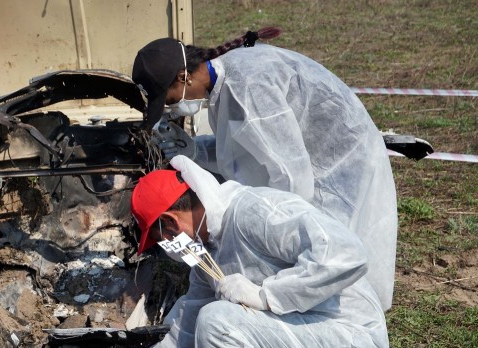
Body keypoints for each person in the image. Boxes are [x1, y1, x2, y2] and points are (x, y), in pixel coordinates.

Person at [132, 27, 397, 311]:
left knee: (331, 252)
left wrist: (269, 263)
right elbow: (241, 152)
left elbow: (294, 179)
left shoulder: (248, 87)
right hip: (313, 161)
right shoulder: (221, 86)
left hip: (339, 165)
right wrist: (195, 151)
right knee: (314, 257)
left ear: (184, 77)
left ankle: (347, 313)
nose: (174, 109)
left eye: (171, 100)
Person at [131, 155, 388, 347]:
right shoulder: (205, 249)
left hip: (348, 330)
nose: (167, 247)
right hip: (302, 327)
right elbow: (190, 314)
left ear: (172, 222)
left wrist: (266, 295)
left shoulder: (254, 212)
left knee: (218, 323)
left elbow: (346, 254)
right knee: (209, 316)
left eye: (161, 238)